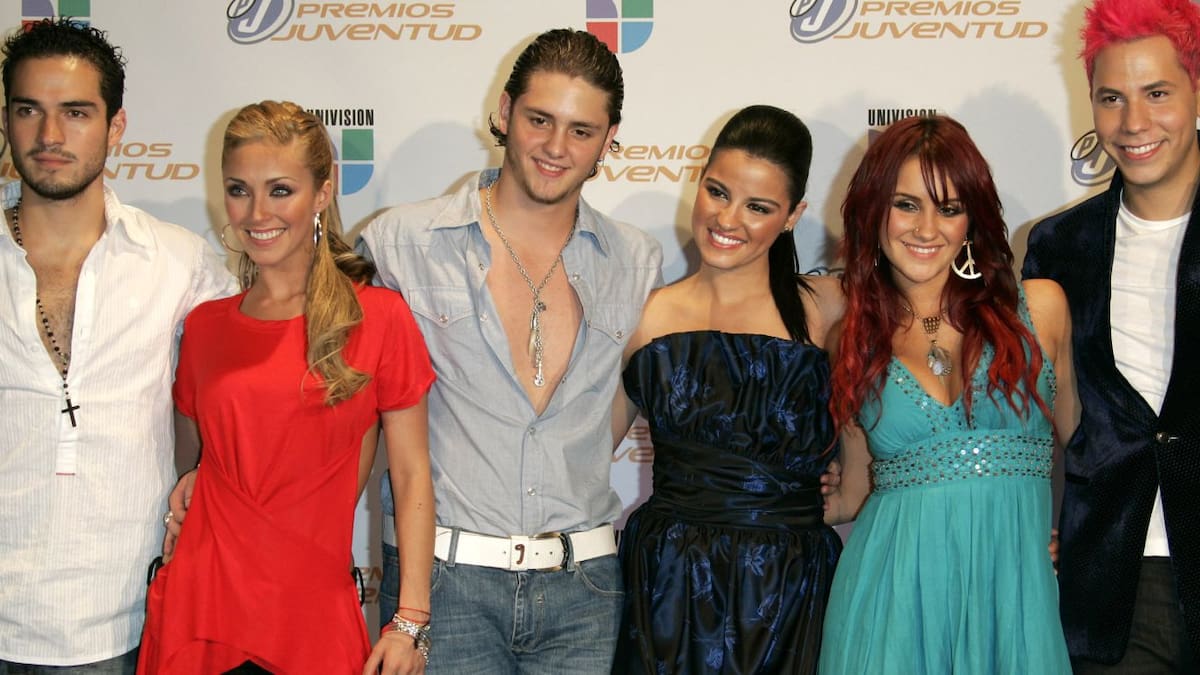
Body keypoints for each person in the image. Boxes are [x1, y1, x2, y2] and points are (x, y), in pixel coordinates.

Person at [356, 28, 662, 674]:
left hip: (586, 592)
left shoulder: (637, 261)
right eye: (539, 120)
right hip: (443, 587)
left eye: (581, 130)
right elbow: (338, 410)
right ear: (504, 111)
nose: (556, 148)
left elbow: (628, 406)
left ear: (609, 140)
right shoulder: (399, 244)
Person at [138, 101, 435, 674]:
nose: (257, 213)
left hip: (310, 618)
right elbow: (196, 460)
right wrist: (195, 483)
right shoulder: (205, 327)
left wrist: (410, 620)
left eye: (280, 190)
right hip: (200, 610)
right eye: (238, 190)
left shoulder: (377, 318)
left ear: (322, 193)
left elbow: (412, 474)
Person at [0, 19, 237, 672]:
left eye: (76, 113)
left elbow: (252, 397)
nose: (50, 136)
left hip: (132, 620)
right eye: (29, 110)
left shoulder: (181, 263)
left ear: (116, 126)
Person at [818, 114, 1077, 674]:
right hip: (890, 604)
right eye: (906, 204)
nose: (926, 228)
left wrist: (1081, 538)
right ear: (874, 211)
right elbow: (858, 489)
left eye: (949, 207)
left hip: (1014, 601)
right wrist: (779, 495)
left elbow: (1095, 457)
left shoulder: (1041, 310)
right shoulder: (854, 341)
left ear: (972, 220)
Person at [610, 105, 855, 674]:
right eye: (717, 192)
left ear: (793, 215)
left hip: (791, 588)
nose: (728, 219)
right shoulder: (647, 314)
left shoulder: (829, 309)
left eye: (758, 207)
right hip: (668, 585)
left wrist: (850, 495)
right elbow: (585, 453)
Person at [1022, 0, 1200, 670]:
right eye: (1112, 98)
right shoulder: (1057, 247)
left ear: (1195, 89)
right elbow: (1037, 411)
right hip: (1114, 579)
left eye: (1157, 93)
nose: (1134, 123)